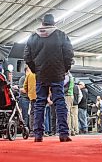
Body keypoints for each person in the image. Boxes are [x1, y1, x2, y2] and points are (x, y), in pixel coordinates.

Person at [24, 13, 74, 142]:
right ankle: (63, 133)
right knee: (60, 102)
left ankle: (38, 135)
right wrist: (65, 68)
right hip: (57, 72)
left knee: (40, 102)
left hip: (41, 74)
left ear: (42, 23)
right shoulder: (61, 35)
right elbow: (69, 53)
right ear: (53, 23)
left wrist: (36, 70)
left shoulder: (33, 36)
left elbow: (27, 57)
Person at [23, 67, 37, 136]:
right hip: (41, 97)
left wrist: (29, 93)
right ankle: (40, 130)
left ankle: (32, 131)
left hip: (32, 97)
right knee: (41, 113)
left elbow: (25, 86)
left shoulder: (29, 75)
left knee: (32, 113)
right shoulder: (41, 74)